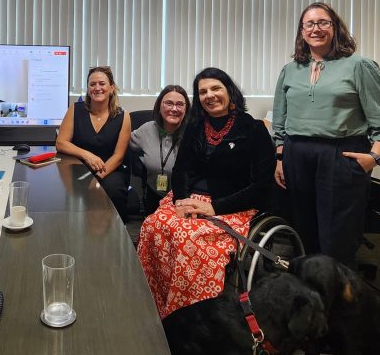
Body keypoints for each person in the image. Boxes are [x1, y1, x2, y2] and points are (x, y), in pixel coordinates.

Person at [272, 1, 380, 268]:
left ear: (335, 28)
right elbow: (280, 121)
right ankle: (308, 291)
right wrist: (280, 158)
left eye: (323, 22)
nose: (316, 29)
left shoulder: (359, 66)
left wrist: (374, 158)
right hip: (297, 155)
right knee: (303, 234)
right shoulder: (290, 70)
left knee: (337, 240)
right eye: (309, 24)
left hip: (340, 155)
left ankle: (339, 293)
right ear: (301, 31)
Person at [137, 67, 274, 319]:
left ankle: (191, 317)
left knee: (188, 238)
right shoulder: (195, 127)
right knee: (153, 226)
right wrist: (181, 200)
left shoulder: (253, 129)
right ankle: (154, 307)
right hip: (190, 199)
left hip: (232, 205)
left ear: (229, 91)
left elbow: (262, 186)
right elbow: (181, 170)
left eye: (215, 88)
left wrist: (214, 207)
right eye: (202, 92)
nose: (209, 95)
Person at [55, 65, 131, 220]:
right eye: (92, 84)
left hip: (109, 169)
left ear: (111, 88)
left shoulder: (123, 116)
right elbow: (61, 143)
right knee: (64, 192)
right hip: (78, 167)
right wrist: (87, 155)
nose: (97, 88)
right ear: (88, 89)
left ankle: (116, 229)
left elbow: (118, 156)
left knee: (112, 190)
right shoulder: (75, 110)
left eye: (102, 83)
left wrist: (98, 177)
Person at [129, 84, 190, 215]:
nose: (174, 109)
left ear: (186, 109)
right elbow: (123, 142)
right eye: (169, 103)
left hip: (185, 198)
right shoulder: (147, 130)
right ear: (159, 106)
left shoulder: (193, 133)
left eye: (180, 104)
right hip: (154, 194)